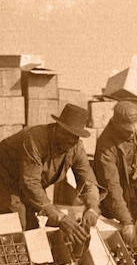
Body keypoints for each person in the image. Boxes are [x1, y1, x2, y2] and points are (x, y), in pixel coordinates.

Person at [0, 104, 101, 245]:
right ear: (57, 126)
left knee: (34, 230)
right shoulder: (35, 138)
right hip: (5, 179)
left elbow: (88, 182)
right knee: (18, 227)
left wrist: (92, 208)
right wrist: (59, 217)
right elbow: (30, 183)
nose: (69, 141)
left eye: (74, 137)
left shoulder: (76, 147)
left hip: (25, 184)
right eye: (66, 133)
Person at [93, 101, 137, 248]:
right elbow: (112, 186)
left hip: (131, 191)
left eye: (133, 129)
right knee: (117, 242)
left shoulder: (131, 131)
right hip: (111, 201)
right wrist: (126, 220)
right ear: (117, 124)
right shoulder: (106, 146)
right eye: (128, 130)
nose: (132, 133)